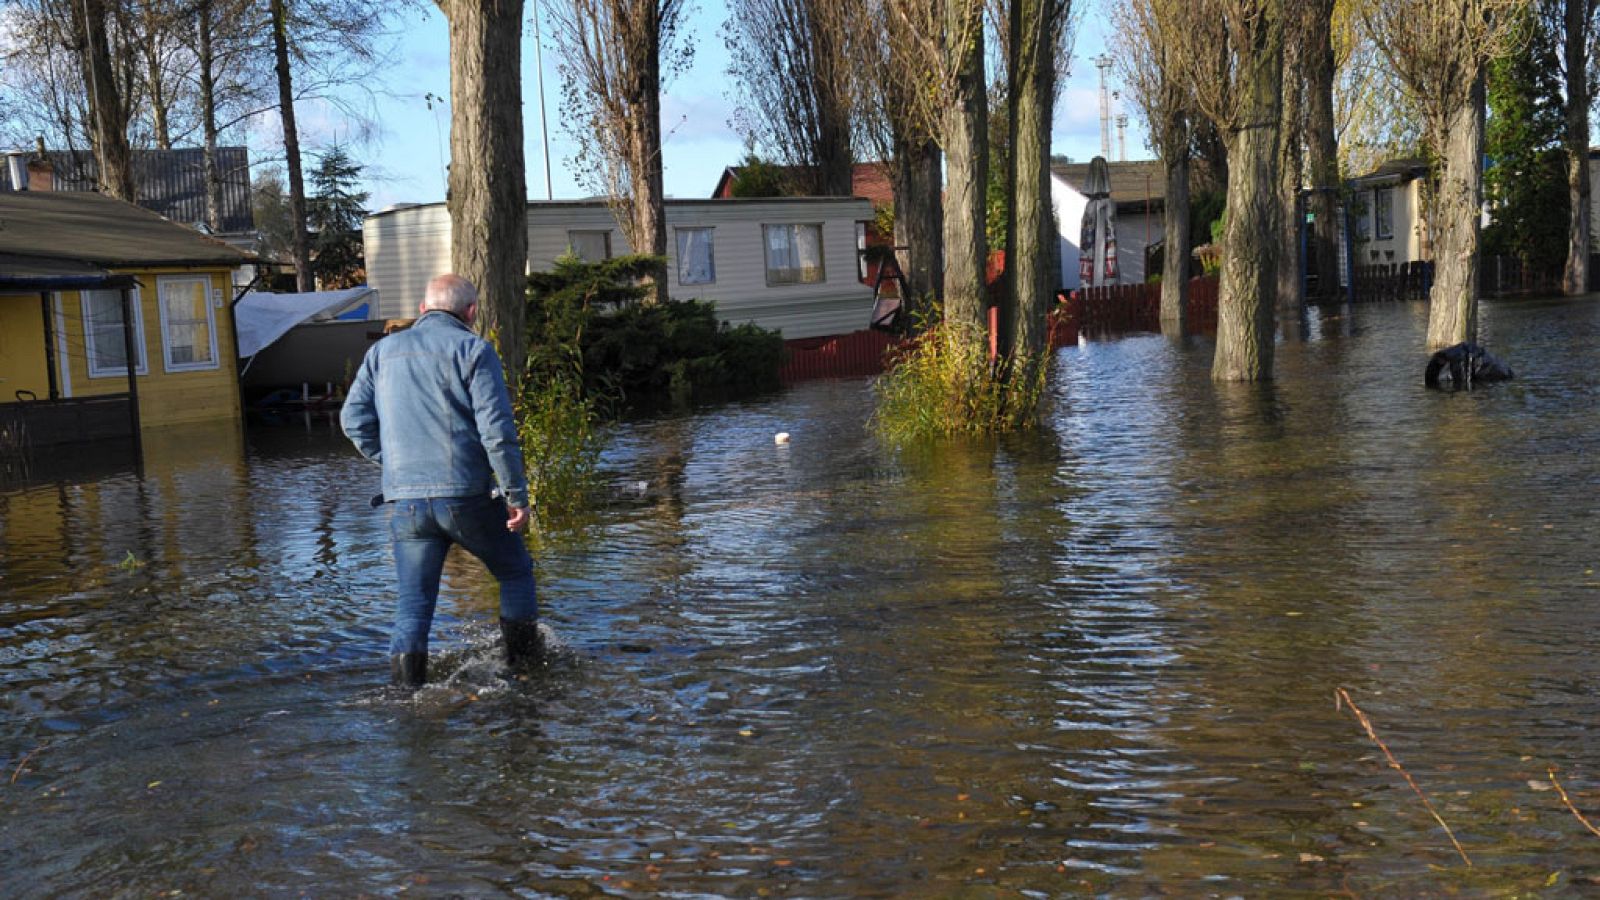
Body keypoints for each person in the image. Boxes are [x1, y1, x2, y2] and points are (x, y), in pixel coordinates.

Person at [341, 273, 541, 688]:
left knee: (413, 606)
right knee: (516, 572)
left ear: (422, 309)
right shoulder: (473, 348)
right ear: (471, 312)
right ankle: (524, 673)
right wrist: (515, 495)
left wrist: (392, 463)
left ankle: (406, 696)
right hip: (465, 496)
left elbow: (352, 421)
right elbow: (497, 431)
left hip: (405, 503)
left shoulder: (382, 352)